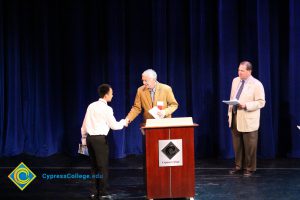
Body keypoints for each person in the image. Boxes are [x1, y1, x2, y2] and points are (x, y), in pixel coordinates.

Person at [81, 84, 128, 199]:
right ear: (106, 95)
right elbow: (114, 126)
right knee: (102, 166)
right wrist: (123, 122)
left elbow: (84, 124)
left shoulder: (91, 106)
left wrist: (83, 139)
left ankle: (93, 191)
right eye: (111, 93)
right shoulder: (107, 109)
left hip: (90, 139)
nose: (113, 95)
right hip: (99, 140)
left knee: (94, 166)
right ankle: (103, 193)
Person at [228, 61, 265, 177]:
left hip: (248, 118)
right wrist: (229, 113)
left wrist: (246, 105)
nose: (239, 72)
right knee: (237, 145)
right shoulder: (235, 81)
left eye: (242, 71)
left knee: (250, 145)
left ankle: (250, 168)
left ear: (249, 71)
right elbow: (232, 97)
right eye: (238, 70)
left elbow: (261, 102)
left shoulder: (256, 84)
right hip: (235, 116)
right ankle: (238, 166)